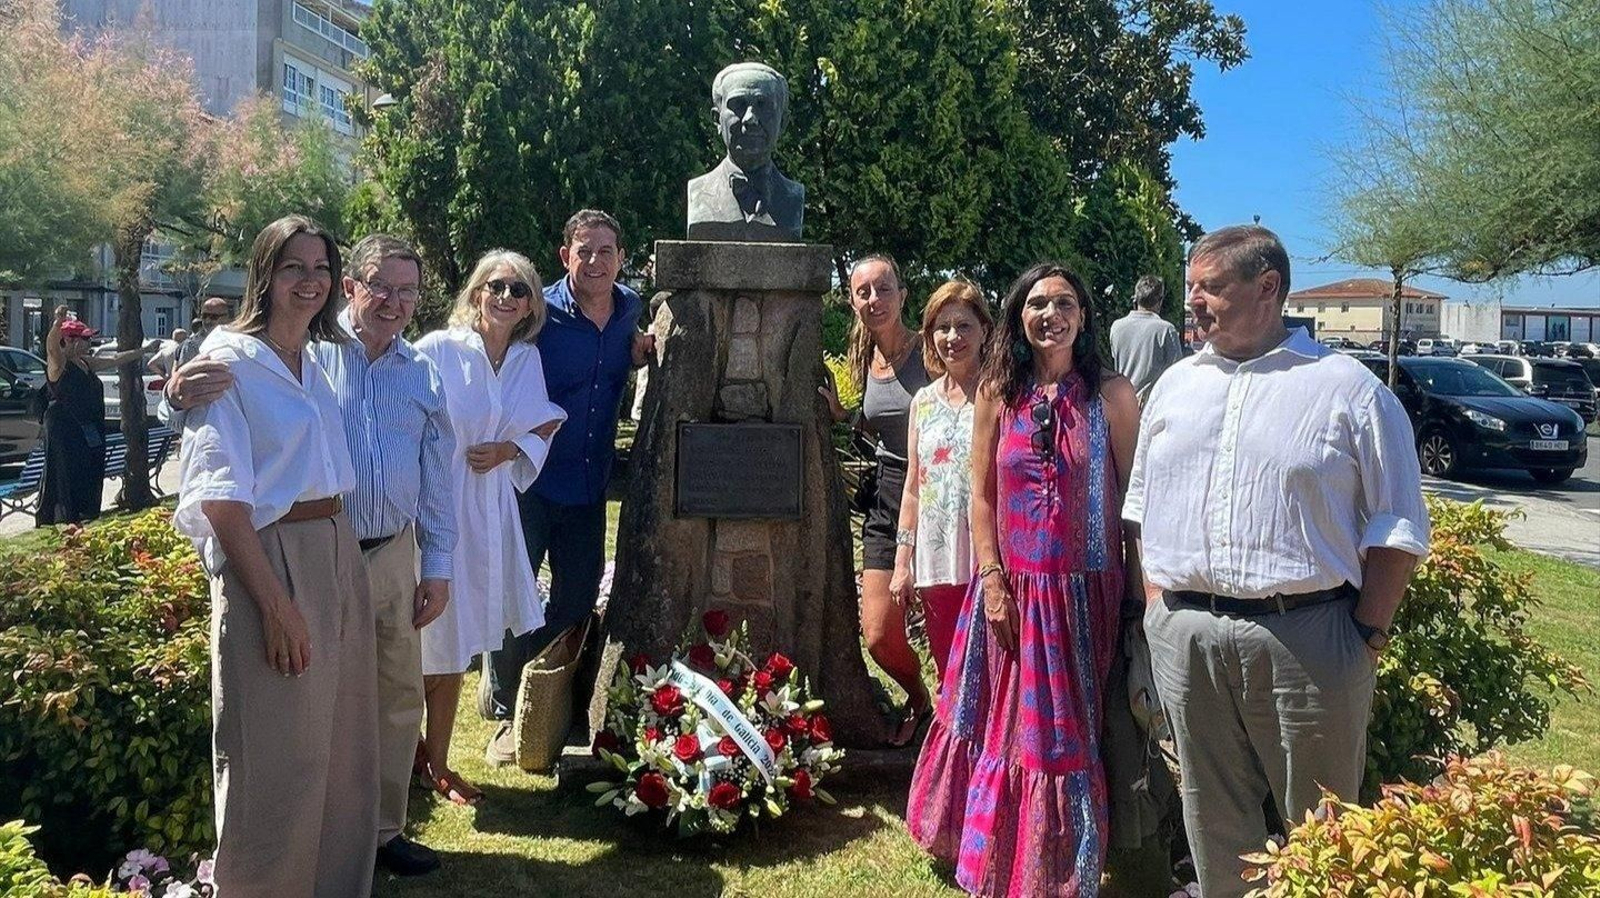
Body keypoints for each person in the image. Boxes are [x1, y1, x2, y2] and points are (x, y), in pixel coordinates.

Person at [1125, 225, 1429, 897]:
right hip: (1187, 634)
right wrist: (1157, 610)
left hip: (1307, 639)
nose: (1193, 301)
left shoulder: (1348, 391)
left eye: (1210, 287)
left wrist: (1366, 634)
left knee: (1323, 830)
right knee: (1211, 816)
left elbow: (1397, 525)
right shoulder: (1174, 387)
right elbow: (1144, 506)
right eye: (1190, 287)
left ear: (1268, 288)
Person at [161, 234, 458, 876]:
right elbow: (217, 477)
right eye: (296, 267)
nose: (394, 302)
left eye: (317, 267)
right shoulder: (271, 355)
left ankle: (360, 853)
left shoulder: (334, 362)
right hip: (288, 551)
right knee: (280, 735)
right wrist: (175, 395)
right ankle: (267, 879)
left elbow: (438, 475)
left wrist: (437, 563)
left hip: (354, 551)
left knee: (356, 726)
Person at [907, 262, 1143, 897]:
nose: (1050, 314)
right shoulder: (997, 392)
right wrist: (990, 579)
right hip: (1013, 592)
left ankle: (1064, 866)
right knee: (1002, 725)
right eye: (1037, 304)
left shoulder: (1113, 398)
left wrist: (1139, 597)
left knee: (1065, 738)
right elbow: (980, 498)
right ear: (1018, 319)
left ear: (1084, 317)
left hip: (1086, 596)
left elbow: (1133, 506)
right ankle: (997, 851)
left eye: (1064, 303)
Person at [170, 215, 378, 897]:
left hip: (335, 549)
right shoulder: (227, 360)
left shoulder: (314, 359)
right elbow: (222, 498)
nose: (310, 281)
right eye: (294, 267)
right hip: (273, 557)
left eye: (321, 268)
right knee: (277, 751)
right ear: (265, 273)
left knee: (342, 746)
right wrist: (275, 604)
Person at [479, 210, 651, 765]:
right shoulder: (538, 311)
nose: (595, 261)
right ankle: (507, 709)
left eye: (606, 250)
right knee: (515, 590)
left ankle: (548, 694)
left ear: (620, 257)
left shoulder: (631, 311)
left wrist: (641, 349)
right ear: (565, 256)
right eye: (584, 250)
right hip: (528, 479)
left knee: (575, 597)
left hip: (589, 480)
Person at [418, 250, 566, 797]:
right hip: (435, 504)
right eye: (496, 286)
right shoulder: (437, 349)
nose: (507, 297)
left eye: (519, 290)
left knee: (460, 634)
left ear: (530, 305)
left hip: (488, 506)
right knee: (423, 632)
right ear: (477, 291)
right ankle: (412, 749)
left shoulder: (526, 359)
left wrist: (511, 448)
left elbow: (546, 418)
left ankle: (437, 759)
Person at [819, 254, 933, 746]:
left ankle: (957, 724)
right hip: (888, 496)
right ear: (852, 301)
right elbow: (879, 422)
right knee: (880, 635)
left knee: (950, 626)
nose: (874, 300)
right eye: (863, 292)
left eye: (883, 289)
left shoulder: (931, 351)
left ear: (903, 296)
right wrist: (843, 415)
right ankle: (920, 698)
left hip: (939, 493)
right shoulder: (868, 357)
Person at [889, 279, 992, 684]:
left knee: (990, 676)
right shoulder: (923, 402)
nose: (953, 337)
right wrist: (902, 564)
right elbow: (913, 486)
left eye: (964, 326)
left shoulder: (1001, 393)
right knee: (949, 674)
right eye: (942, 327)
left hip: (985, 560)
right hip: (936, 561)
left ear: (984, 330)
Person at [37, 308, 158, 526]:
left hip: (88, 432)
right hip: (65, 432)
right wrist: (57, 322)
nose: (89, 343)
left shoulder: (85, 363)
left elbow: (115, 359)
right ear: (70, 341)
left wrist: (143, 351)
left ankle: (86, 514)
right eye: (85, 339)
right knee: (66, 475)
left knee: (89, 472)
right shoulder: (58, 365)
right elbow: (52, 347)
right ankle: (66, 518)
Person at [1110, 274, 1183, 405]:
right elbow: (1177, 376)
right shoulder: (1166, 330)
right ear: (1159, 301)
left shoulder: (1117, 327)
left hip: (1123, 405)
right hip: (1153, 407)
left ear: (1136, 298)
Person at [175, 297, 233, 368]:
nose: (207, 321)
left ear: (226, 318)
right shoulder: (192, 345)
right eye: (204, 316)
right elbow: (184, 374)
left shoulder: (236, 341)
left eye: (213, 317)